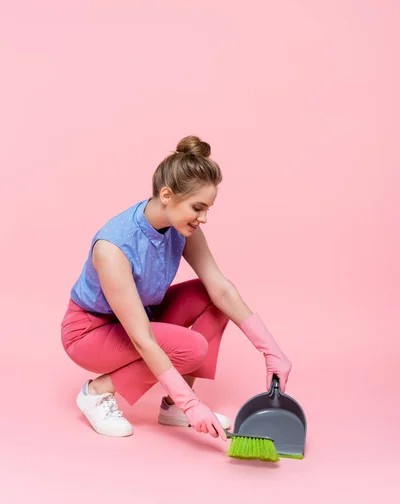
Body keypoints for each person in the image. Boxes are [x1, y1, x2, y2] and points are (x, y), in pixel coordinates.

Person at [61, 135, 292, 441]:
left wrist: (271, 351)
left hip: (142, 316)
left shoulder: (180, 225)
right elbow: (143, 339)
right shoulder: (113, 247)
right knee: (192, 348)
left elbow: (220, 289)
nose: (204, 218)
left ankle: (172, 407)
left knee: (210, 297)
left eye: (208, 208)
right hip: (90, 332)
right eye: (198, 207)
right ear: (167, 195)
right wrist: (192, 405)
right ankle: (97, 392)